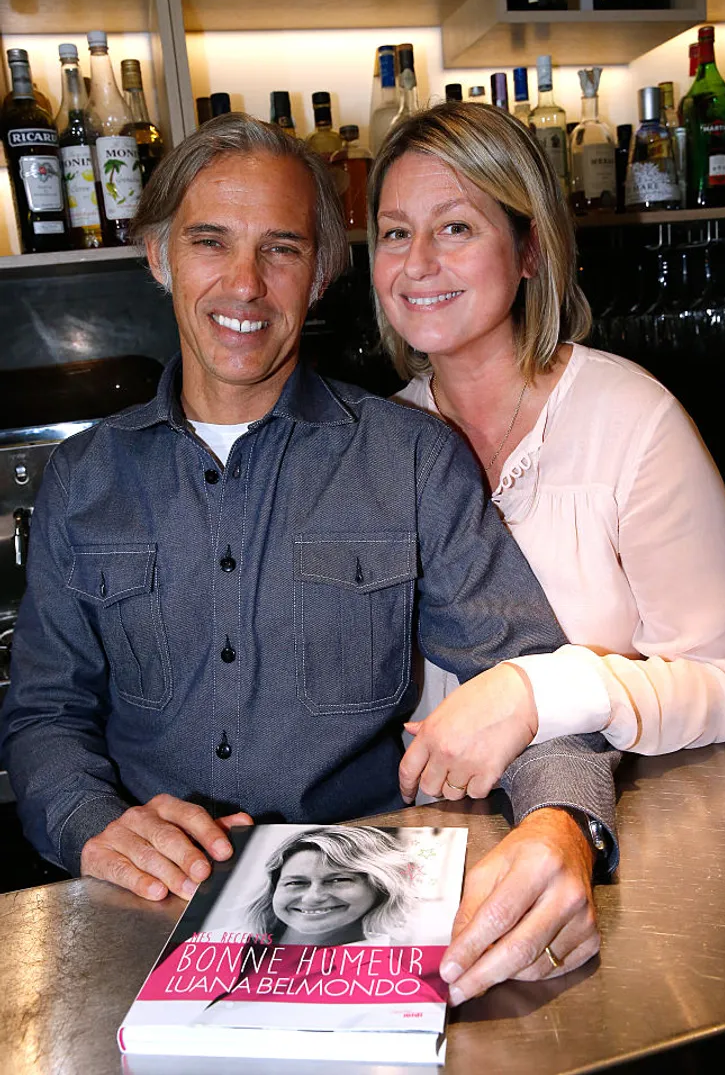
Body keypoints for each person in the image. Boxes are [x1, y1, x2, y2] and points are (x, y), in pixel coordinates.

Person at [0, 113, 618, 1004]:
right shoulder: (83, 477)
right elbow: (43, 717)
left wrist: (564, 823)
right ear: (159, 254)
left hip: (364, 920)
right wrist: (93, 823)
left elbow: (533, 679)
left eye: (281, 249)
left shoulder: (411, 459)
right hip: (141, 922)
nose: (244, 284)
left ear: (322, 271)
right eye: (211, 241)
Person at [366, 100, 725, 804]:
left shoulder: (635, 423)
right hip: (424, 845)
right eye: (396, 233)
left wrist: (538, 690)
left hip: (620, 827)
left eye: (455, 227)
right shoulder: (375, 442)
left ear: (530, 250)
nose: (417, 264)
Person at [248, 826, 413, 946]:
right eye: (296, 882)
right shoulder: (229, 942)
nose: (313, 897)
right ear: (273, 890)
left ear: (380, 888)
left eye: (338, 880)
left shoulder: (388, 982)